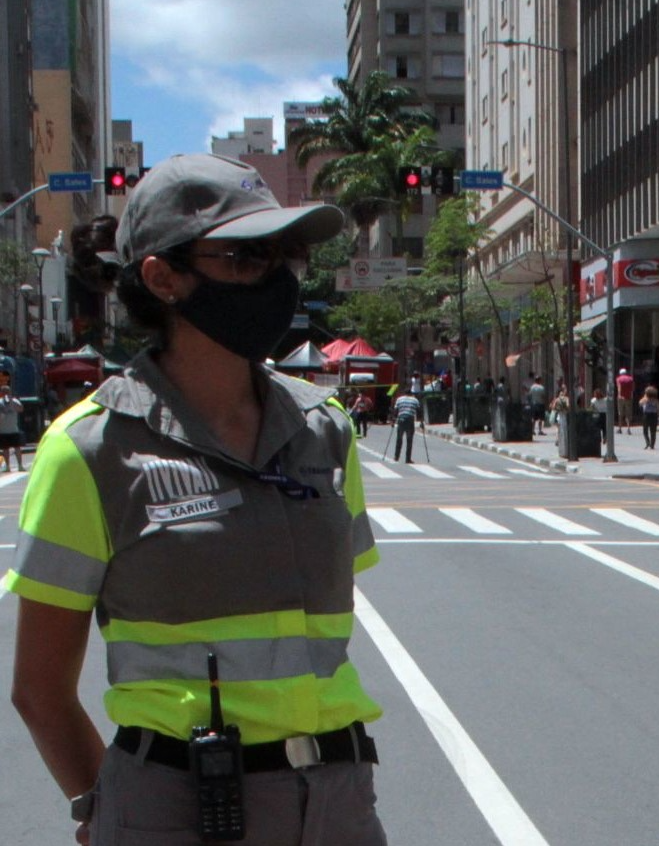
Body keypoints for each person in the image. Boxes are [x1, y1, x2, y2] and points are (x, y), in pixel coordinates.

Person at [5, 154, 386, 845]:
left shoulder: (326, 431)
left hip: (338, 803)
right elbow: (39, 688)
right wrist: (108, 805)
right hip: (178, 807)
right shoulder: (90, 450)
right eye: (244, 258)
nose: (273, 280)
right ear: (164, 278)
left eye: (285, 256)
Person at [392, 386, 423, 462]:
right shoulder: (415, 400)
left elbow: (396, 410)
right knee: (409, 440)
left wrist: (393, 420)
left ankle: (396, 457)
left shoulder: (399, 399)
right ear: (411, 393)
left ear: (404, 393)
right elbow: (419, 411)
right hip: (410, 419)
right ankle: (407, 458)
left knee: (399, 439)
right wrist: (421, 422)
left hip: (401, 419)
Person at [0, 385, 24, 471]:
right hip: (3, 430)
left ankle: (20, 466)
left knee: (17, 448)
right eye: (4, 392)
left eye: (7, 392)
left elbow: (21, 409)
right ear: (1, 393)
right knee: (5, 449)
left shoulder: (14, 401)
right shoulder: (0, 402)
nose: (6, 394)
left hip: (14, 429)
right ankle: (7, 466)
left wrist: (11, 402)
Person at [638, 384, 659, 449]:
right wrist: (658, 416)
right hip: (654, 415)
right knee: (653, 431)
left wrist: (644, 397)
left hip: (646, 415)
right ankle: (652, 445)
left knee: (645, 430)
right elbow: (658, 408)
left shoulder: (645, 399)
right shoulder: (656, 400)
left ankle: (648, 442)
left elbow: (639, 403)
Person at [615, 368, 635, 435]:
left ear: (620, 373)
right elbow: (633, 388)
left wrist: (619, 395)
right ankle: (628, 429)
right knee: (628, 414)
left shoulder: (618, 379)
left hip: (620, 398)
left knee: (620, 413)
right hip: (628, 397)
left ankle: (620, 428)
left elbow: (619, 387)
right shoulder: (631, 379)